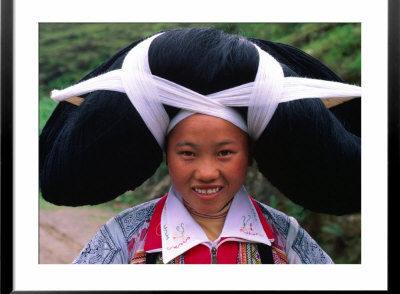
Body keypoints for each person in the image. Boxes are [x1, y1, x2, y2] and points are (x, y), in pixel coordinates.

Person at [39, 27, 361, 264]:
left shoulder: (284, 237)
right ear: (166, 155)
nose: (207, 172)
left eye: (224, 152)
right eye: (187, 153)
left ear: (250, 156)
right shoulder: (125, 236)